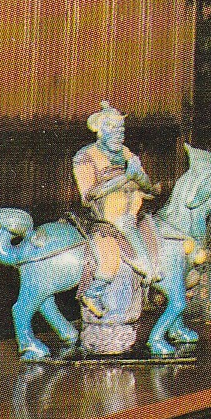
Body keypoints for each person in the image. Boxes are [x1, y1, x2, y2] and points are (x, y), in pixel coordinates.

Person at [72, 102, 158, 317]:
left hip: (132, 218)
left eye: (121, 129)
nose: (119, 133)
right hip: (104, 221)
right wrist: (126, 177)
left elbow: (147, 186)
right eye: (112, 128)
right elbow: (88, 195)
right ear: (99, 130)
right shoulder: (85, 156)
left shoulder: (126, 153)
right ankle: (93, 293)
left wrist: (139, 177)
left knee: (156, 251)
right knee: (109, 262)